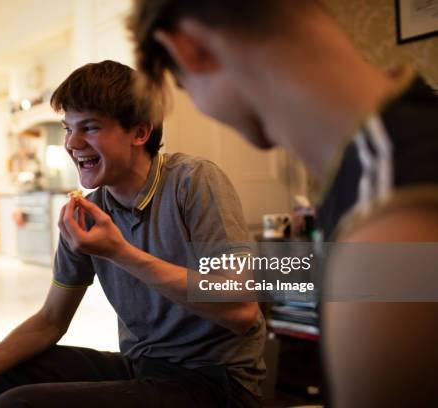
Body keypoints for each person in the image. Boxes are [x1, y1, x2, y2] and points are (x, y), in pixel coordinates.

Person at [128, 0, 438, 406]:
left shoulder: (390, 223)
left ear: (189, 48)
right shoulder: (394, 146)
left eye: (184, 86)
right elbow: (282, 276)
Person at [0, 60, 266, 407]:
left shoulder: (193, 182)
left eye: (91, 127)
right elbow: (51, 320)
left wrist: (120, 252)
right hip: (142, 367)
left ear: (140, 132)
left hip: (216, 380)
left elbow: (240, 310)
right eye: (68, 128)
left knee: (21, 404)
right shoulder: (89, 213)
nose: (72, 143)